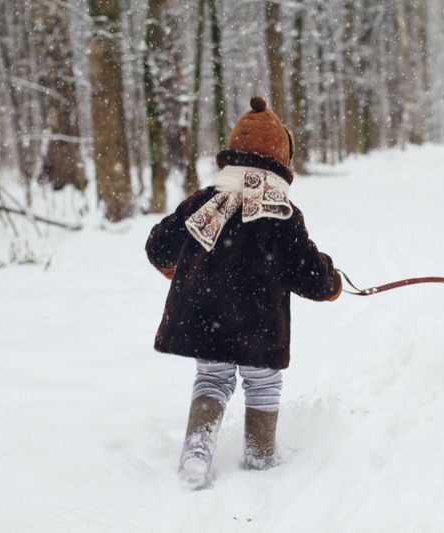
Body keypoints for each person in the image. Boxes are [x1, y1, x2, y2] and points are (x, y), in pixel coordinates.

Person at [145, 96, 342, 489]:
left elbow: (158, 245)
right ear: (281, 165)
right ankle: (260, 454)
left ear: (233, 157)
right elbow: (307, 273)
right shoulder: (280, 212)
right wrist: (332, 281)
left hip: (206, 318)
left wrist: (179, 268)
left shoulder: (205, 201)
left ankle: (197, 452)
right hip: (260, 323)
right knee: (263, 381)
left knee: (211, 380)